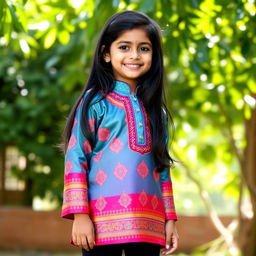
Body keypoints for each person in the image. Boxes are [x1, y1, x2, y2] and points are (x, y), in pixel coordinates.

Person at [60, 10, 179, 256]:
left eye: (144, 48)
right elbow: (75, 158)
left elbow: (162, 167)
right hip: (100, 223)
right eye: (124, 47)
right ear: (106, 53)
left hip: (149, 222)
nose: (134, 55)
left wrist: (170, 219)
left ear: (154, 55)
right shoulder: (94, 102)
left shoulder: (158, 113)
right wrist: (80, 215)